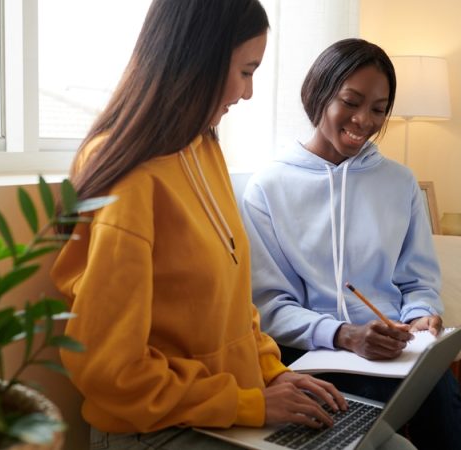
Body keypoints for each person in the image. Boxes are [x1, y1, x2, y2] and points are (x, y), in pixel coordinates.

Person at [51, 3, 419, 449]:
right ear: (197, 60)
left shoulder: (204, 149)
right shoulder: (131, 175)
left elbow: (237, 312)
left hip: (232, 405)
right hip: (158, 426)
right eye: (246, 71)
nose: (247, 93)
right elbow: (110, 372)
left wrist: (277, 375)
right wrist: (251, 404)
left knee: (395, 445)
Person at [241, 38, 461, 450]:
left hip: (392, 353)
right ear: (319, 93)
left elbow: (417, 282)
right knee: (365, 410)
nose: (364, 120)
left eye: (378, 109)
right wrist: (344, 334)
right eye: (351, 101)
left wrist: (420, 317)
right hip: (308, 353)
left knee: (440, 389)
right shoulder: (269, 187)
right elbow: (268, 307)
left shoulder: (400, 184)